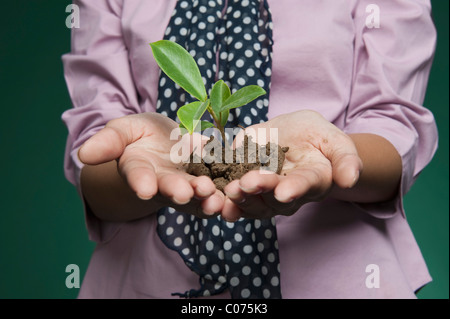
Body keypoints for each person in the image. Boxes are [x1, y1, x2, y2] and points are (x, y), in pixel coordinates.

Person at [62, 0, 438, 299]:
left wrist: (330, 157)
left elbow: (392, 126)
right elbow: (95, 150)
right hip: (147, 279)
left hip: (337, 276)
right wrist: (143, 167)